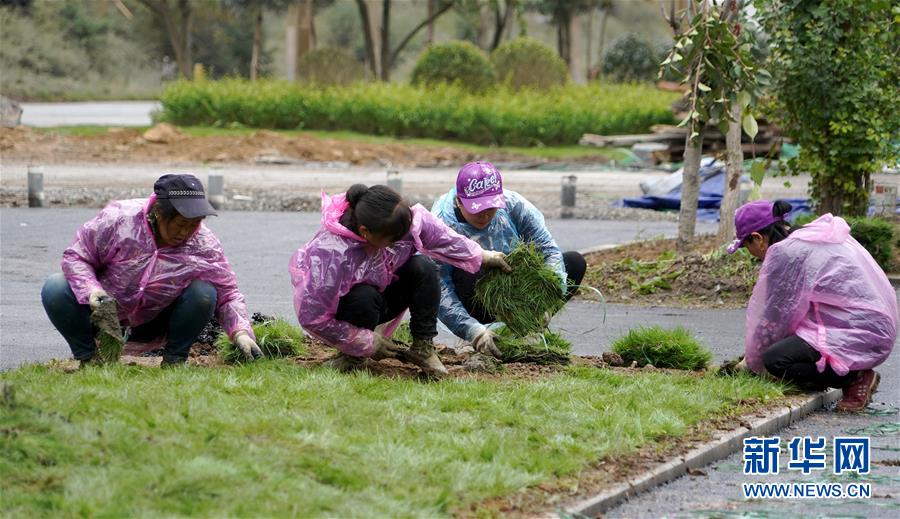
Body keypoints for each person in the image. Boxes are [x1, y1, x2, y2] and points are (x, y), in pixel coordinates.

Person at [289, 184, 510, 378]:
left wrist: (483, 256)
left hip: (384, 295)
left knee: (423, 266)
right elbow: (313, 317)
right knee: (363, 297)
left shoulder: (400, 221)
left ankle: (423, 347)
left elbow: (441, 237)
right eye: (392, 240)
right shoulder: (332, 254)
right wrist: (364, 341)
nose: (398, 242)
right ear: (365, 232)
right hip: (350, 314)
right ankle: (352, 358)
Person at [41, 174, 260, 367]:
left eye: (194, 223)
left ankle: (175, 360)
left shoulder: (204, 243)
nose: (185, 232)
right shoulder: (118, 220)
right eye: (180, 223)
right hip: (102, 315)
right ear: (157, 212)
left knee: (204, 292)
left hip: (154, 321)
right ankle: (89, 358)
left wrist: (241, 333)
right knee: (55, 286)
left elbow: (228, 292)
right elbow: (77, 256)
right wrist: (91, 290)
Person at [729, 199, 897, 411]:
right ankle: (849, 372)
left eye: (746, 246)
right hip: (874, 325)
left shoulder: (786, 253)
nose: (748, 252)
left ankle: (855, 378)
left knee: (775, 360)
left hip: (856, 330)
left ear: (758, 238)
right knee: (783, 350)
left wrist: (751, 362)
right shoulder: (808, 236)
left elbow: (774, 317)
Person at [431, 161, 586, 357]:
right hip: (472, 293)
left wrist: (547, 300)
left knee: (574, 262)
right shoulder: (440, 224)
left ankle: (527, 326)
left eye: (492, 207)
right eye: (477, 208)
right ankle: (478, 334)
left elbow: (548, 249)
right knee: (469, 270)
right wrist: (472, 331)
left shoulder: (514, 205)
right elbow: (438, 285)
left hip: (516, 285)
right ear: (459, 201)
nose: (486, 215)